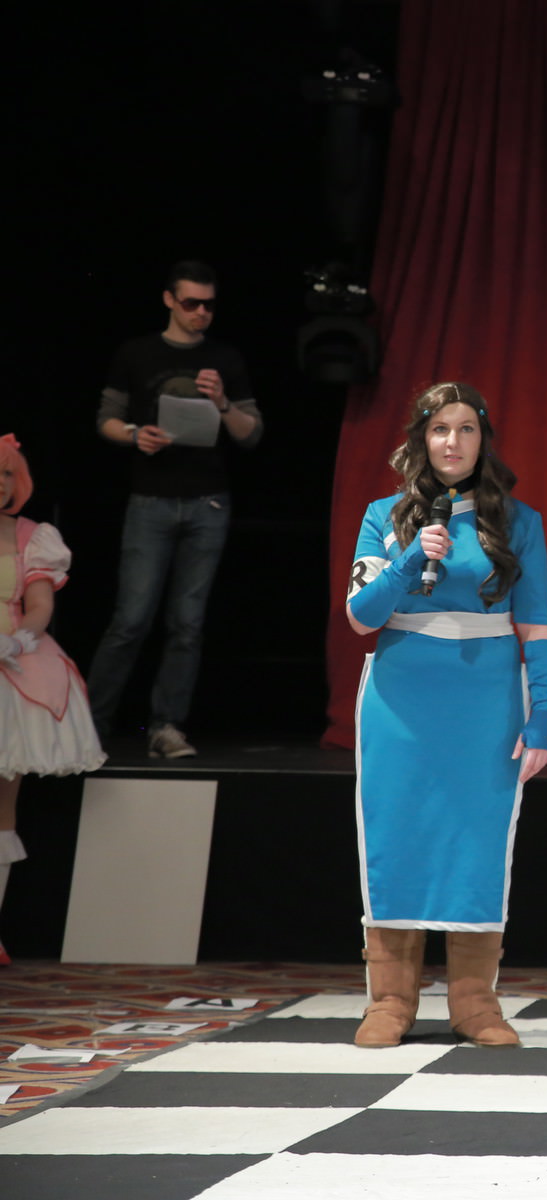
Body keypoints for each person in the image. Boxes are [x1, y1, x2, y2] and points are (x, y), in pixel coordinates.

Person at [343, 382, 547, 1049]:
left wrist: (545, 713)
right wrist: (412, 557)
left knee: (477, 842)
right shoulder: (383, 516)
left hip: (486, 701)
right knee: (396, 836)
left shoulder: (519, 521)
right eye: (440, 428)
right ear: (422, 439)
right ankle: (390, 1001)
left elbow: (537, 624)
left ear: (482, 439)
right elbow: (361, 617)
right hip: (400, 699)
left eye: (467, 428)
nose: (453, 441)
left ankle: (474, 1004)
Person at [87, 260, 265, 758]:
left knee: (187, 624)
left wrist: (223, 403)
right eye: (191, 303)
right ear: (169, 300)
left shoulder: (224, 358)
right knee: (131, 619)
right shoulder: (137, 353)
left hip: (208, 501)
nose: (201, 312)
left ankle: (166, 727)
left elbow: (252, 433)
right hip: (150, 500)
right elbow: (105, 418)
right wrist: (134, 435)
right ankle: (89, 724)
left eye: (209, 304)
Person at [0, 435, 108, 965]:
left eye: (7, 474)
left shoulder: (32, 537)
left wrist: (19, 639)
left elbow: (39, 604)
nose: (1, 484)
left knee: (4, 803)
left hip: (13, 667)